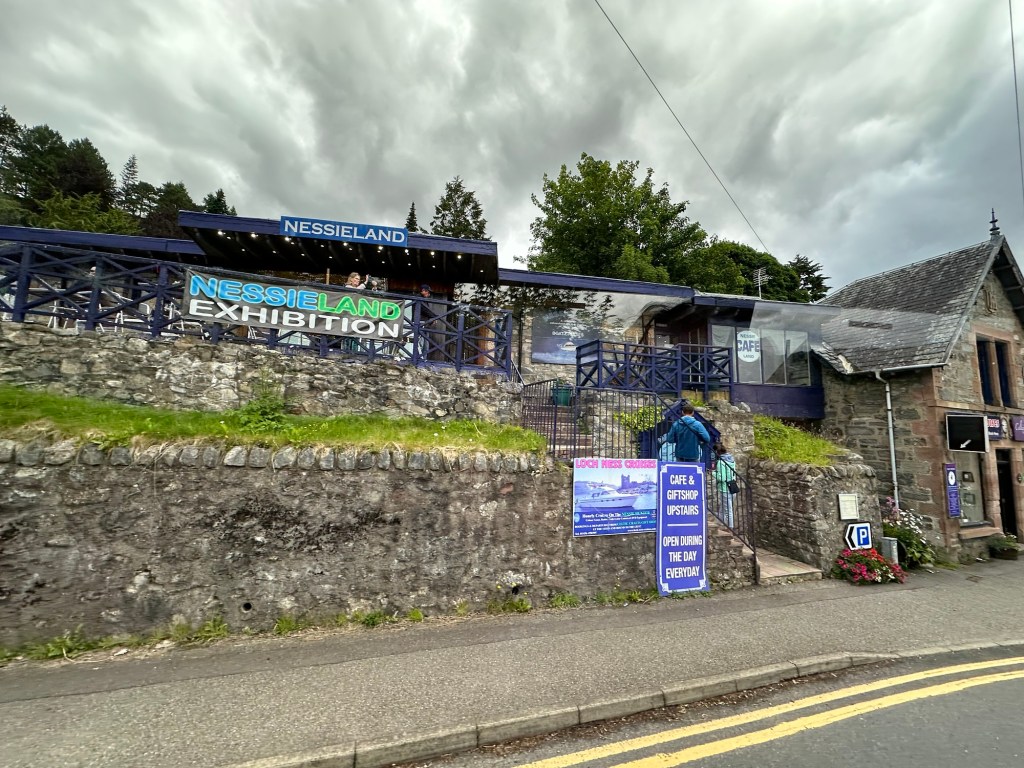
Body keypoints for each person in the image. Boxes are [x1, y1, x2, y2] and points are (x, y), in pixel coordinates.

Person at [712, 442, 737, 527]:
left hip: (725, 488)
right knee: (723, 508)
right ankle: (720, 524)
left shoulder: (721, 462)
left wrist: (713, 473)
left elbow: (722, 478)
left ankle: (730, 528)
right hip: (732, 486)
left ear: (717, 452)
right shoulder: (731, 459)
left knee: (728, 511)